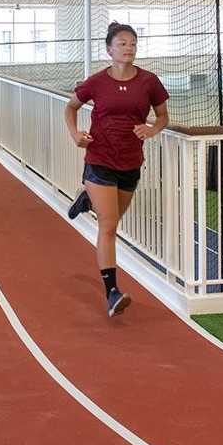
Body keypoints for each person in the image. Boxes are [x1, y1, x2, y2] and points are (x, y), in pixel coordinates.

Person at [64, 21, 169, 318]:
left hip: (131, 162)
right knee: (108, 226)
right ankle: (112, 292)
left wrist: (152, 130)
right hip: (99, 158)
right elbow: (71, 107)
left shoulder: (149, 82)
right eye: (122, 43)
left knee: (113, 221)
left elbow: (162, 116)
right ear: (109, 49)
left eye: (132, 43)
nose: (128, 48)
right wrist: (75, 135)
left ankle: (87, 200)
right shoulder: (96, 82)